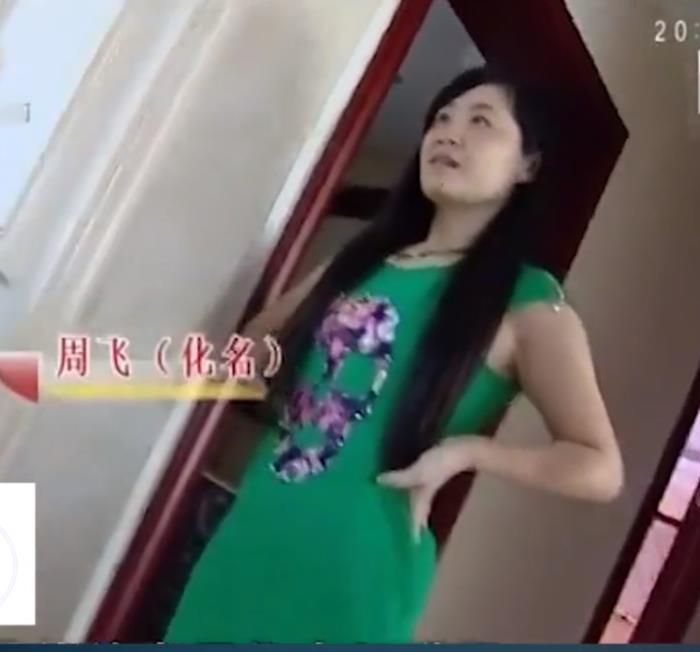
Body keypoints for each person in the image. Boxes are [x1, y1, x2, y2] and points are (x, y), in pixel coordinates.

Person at [163, 64, 624, 644]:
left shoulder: (528, 301)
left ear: (527, 165)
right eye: (441, 119)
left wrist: (467, 452)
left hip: (357, 569)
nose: (449, 133)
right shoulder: (362, 260)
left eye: (480, 122)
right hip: (254, 532)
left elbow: (599, 467)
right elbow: (252, 349)